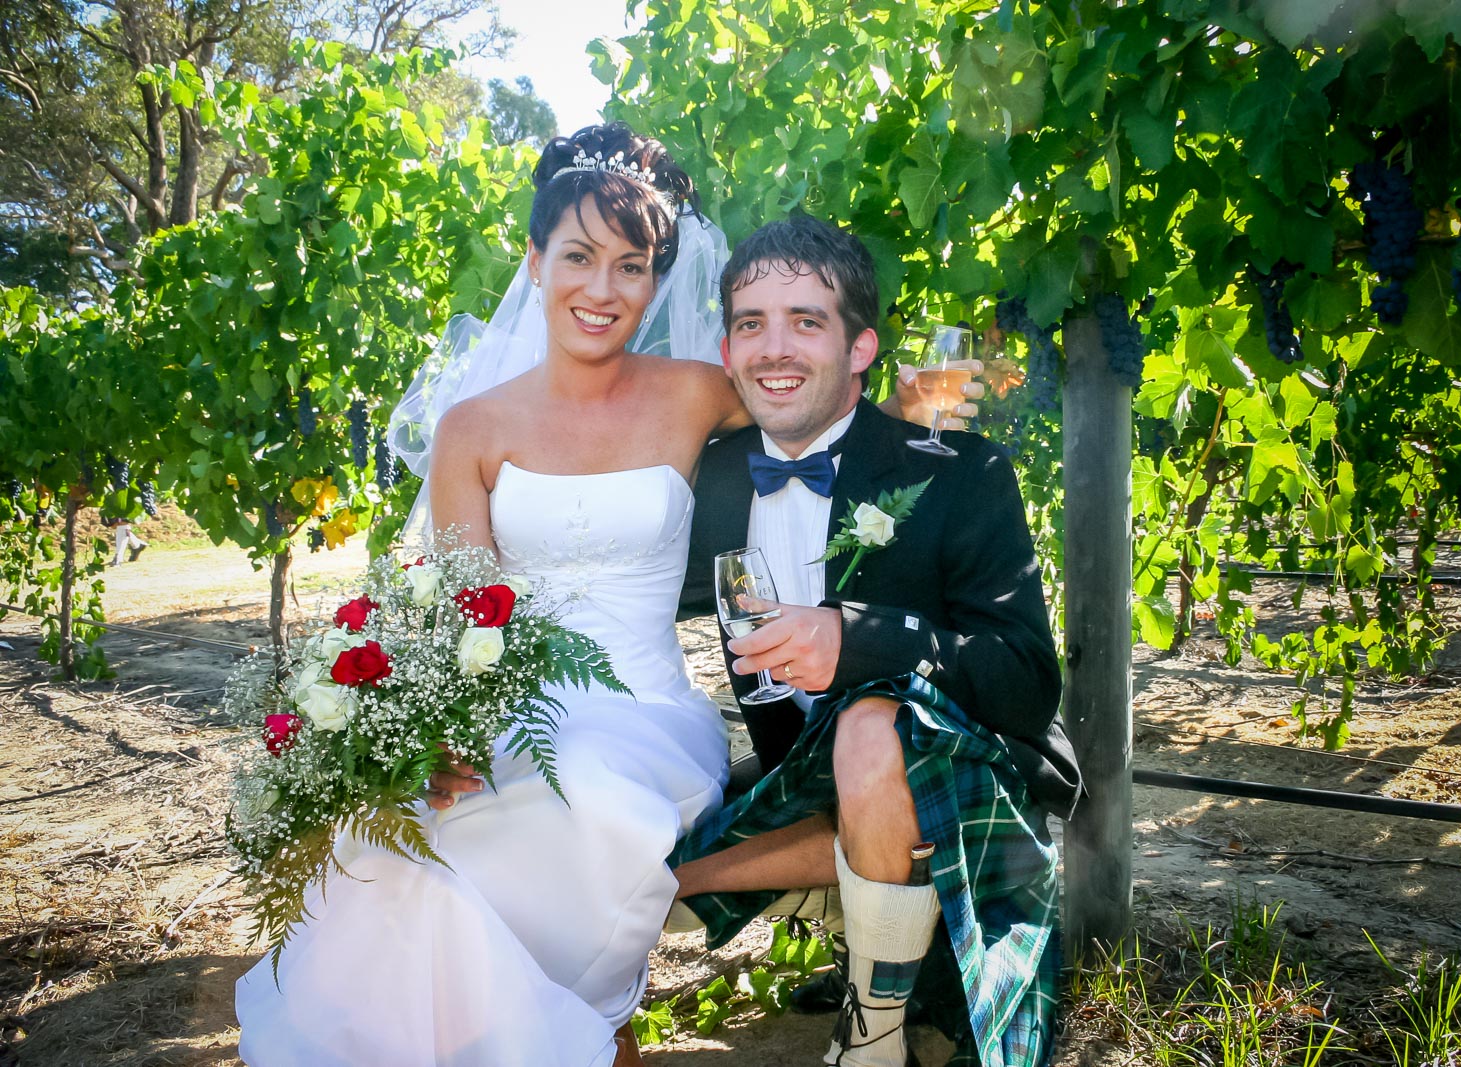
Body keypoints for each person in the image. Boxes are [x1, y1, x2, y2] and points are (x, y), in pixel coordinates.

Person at [233, 123, 955, 1067]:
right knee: (395, 851)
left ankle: (574, 1034)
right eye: (578, 257)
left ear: (658, 280)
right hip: (511, 714)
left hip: (642, 716)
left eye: (632, 265)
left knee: (582, 801)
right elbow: (464, 616)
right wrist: (435, 736)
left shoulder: (697, 391)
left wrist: (906, 396)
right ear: (534, 263)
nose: (604, 290)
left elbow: (806, 387)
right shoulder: (472, 429)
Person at [667, 215, 1074, 1067]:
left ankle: (872, 1035)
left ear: (861, 349)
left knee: (868, 725)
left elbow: (1029, 683)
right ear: (727, 348)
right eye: (752, 324)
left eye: (805, 322)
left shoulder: (962, 473)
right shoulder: (710, 479)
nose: (774, 348)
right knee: (610, 837)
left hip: (962, 772)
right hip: (805, 778)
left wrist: (859, 639)